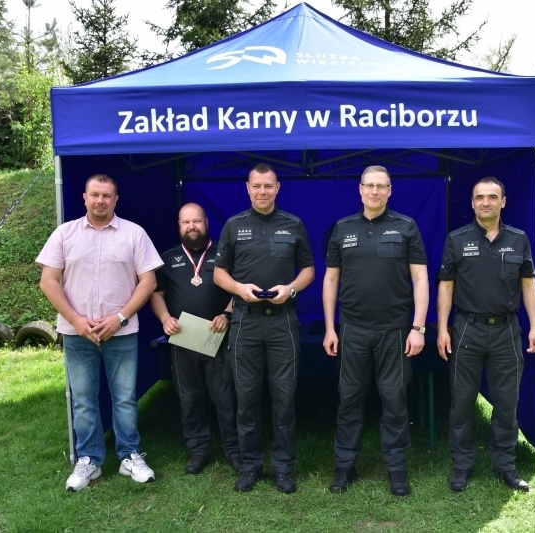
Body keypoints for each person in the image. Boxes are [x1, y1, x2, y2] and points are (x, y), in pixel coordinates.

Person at [36, 173, 164, 492]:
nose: (100, 201)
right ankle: (89, 461)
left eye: (107, 195)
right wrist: (77, 321)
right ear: (84, 197)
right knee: (83, 400)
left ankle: (129, 456)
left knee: (124, 398)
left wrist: (119, 317)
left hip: (120, 332)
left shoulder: (134, 234)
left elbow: (148, 282)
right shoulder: (64, 235)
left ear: (116, 199)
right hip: (77, 334)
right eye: (95, 195)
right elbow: (48, 281)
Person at [322, 165, 429, 497]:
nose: (374, 192)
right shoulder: (342, 228)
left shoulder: (406, 226)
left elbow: (421, 279)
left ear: (389, 191)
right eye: (369, 186)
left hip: (395, 332)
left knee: (395, 401)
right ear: (360, 190)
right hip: (352, 330)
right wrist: (330, 327)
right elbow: (331, 280)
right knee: (349, 400)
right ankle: (344, 468)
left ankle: (396, 471)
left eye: (381, 186)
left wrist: (418, 327)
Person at [436, 176, 535, 493]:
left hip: (507, 331)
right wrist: (442, 328)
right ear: (472, 203)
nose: (485, 202)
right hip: (466, 328)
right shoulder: (457, 239)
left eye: (492, 197)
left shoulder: (519, 239)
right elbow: (446, 285)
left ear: (503, 201)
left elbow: (528, 284)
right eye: (479, 197)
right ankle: (461, 466)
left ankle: (505, 466)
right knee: (461, 402)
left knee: (507, 403)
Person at [214, 163, 315, 494]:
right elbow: (219, 274)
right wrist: (239, 289)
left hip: (283, 321)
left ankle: (284, 468)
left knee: (284, 399)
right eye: (256, 186)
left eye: (268, 186)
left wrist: (292, 289)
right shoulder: (234, 225)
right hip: (245, 321)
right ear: (248, 188)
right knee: (247, 399)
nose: (262, 191)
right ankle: (251, 466)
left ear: (277, 188)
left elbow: (309, 270)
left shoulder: (294, 225)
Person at [150, 203, 241, 476]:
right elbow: (156, 294)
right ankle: (198, 451)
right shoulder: (167, 259)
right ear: (179, 226)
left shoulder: (224, 255)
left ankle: (234, 451)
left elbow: (238, 291)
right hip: (183, 339)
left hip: (217, 338)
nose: (192, 227)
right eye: (186, 222)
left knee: (225, 397)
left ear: (206, 223)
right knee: (190, 398)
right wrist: (165, 319)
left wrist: (227, 313)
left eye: (197, 221)